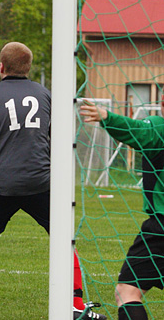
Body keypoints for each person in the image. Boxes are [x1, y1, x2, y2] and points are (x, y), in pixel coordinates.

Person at [0, 42, 106, 320]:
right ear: (28, 67)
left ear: (1, 66)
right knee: (64, 241)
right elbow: (61, 133)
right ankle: (75, 306)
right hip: (41, 181)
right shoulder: (45, 94)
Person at [81, 100, 164, 320]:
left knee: (127, 292)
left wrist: (107, 117)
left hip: (161, 228)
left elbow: (139, 132)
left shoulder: (159, 127)